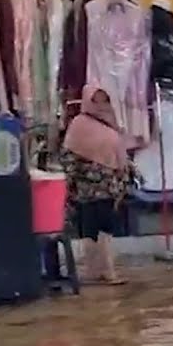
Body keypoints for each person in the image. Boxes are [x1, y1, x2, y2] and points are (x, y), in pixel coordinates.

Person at [61, 86, 134, 284]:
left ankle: (101, 270)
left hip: (109, 187)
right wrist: (70, 184)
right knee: (92, 228)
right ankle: (102, 271)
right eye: (96, 100)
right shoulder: (79, 124)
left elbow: (120, 156)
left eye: (104, 100)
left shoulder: (111, 123)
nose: (101, 105)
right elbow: (68, 157)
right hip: (88, 187)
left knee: (106, 227)